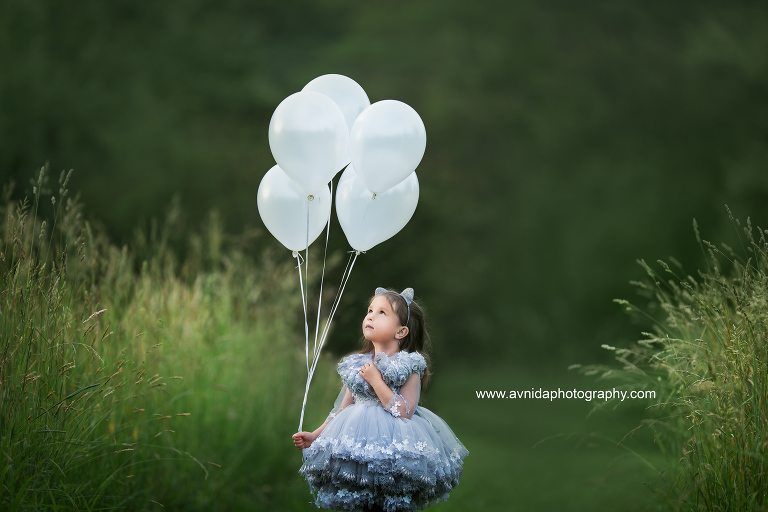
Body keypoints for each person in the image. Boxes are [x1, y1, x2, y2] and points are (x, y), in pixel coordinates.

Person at [292, 287, 468, 512]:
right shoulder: (357, 364)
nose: (371, 315)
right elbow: (341, 410)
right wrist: (315, 435)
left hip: (393, 445)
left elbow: (404, 410)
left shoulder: (408, 365)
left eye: (382, 312)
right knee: (358, 501)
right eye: (370, 310)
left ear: (401, 331)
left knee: (387, 504)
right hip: (356, 443)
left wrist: (377, 381)